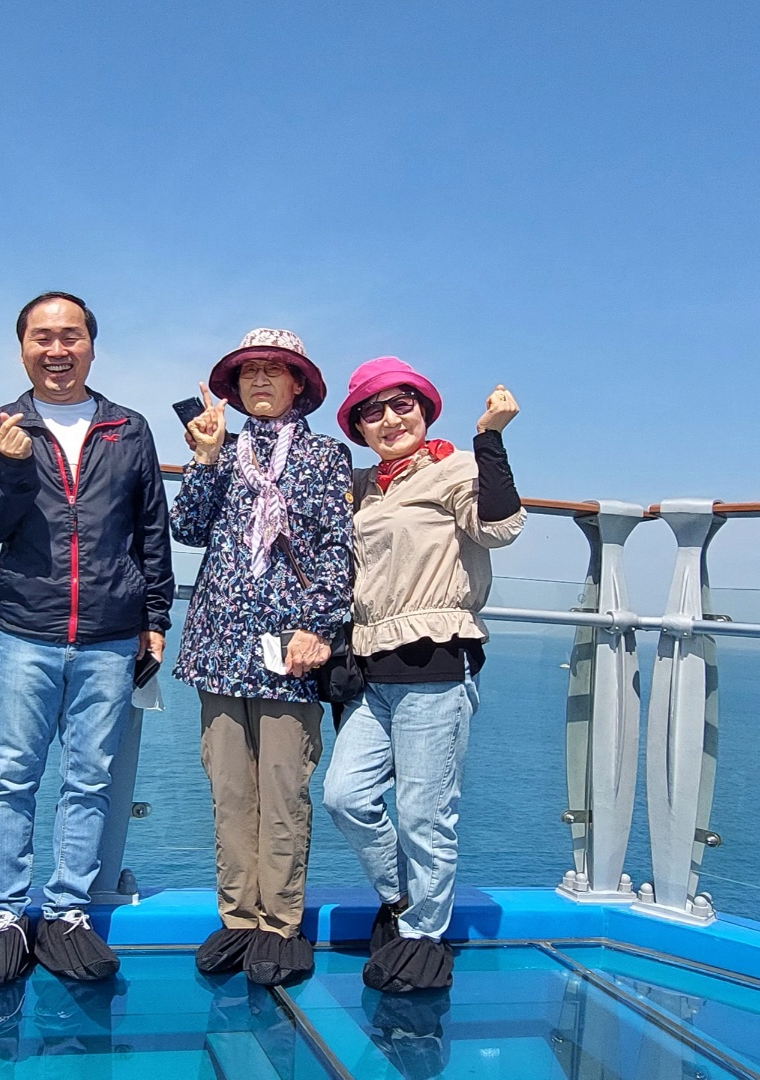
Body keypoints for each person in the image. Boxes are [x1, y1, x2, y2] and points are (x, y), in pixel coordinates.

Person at [0, 291, 174, 985]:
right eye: (43, 337)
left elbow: (151, 527)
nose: (58, 350)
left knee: (90, 778)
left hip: (111, 634)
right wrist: (13, 468)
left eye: (71, 336)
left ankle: (68, 910)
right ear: (23, 346)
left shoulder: (128, 429)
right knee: (12, 774)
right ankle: (3, 913)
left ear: (91, 345)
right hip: (27, 628)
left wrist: (155, 619)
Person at [322, 356, 523, 993]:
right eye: (372, 411)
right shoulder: (363, 485)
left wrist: (489, 438)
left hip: (435, 663)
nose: (389, 419)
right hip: (370, 669)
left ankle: (424, 935)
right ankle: (403, 900)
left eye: (401, 404)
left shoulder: (455, 467)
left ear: (424, 409)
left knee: (424, 814)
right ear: (359, 427)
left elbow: (498, 527)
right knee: (345, 797)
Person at [171, 328, 353, 986]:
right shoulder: (222, 450)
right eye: (250, 372)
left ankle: (280, 923)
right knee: (229, 790)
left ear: (299, 383)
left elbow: (337, 548)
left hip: (289, 651)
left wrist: (318, 627)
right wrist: (205, 459)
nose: (261, 381)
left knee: (282, 790)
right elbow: (187, 528)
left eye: (276, 370)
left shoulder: (325, 456)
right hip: (220, 642)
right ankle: (238, 917)